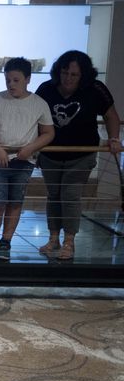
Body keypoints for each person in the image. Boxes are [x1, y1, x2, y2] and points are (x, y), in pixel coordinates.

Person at [35, 50, 122, 260]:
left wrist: (114, 139)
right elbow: (33, 117)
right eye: (65, 73)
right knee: (54, 195)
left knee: (70, 195)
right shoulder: (46, 89)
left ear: (83, 75)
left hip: (82, 154)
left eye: (74, 75)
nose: (68, 79)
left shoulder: (96, 89)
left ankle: (69, 242)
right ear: (58, 72)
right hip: (51, 153)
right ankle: (53, 238)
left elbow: (111, 115)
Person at [0, 58, 54, 261]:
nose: (11, 84)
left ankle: (6, 241)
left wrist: (30, 148)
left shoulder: (39, 103)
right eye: (8, 80)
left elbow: (48, 132)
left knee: (15, 201)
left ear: (27, 79)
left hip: (24, 161)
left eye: (16, 80)